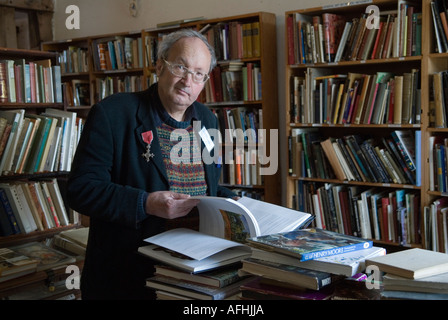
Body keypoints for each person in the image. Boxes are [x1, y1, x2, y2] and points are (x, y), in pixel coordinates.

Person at [66, 29, 236, 300]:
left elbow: (209, 188)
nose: (187, 81)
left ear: (205, 80)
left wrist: (236, 204)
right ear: (160, 65)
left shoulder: (208, 121)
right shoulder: (113, 114)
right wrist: (145, 203)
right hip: (128, 278)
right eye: (181, 66)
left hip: (194, 276)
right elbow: (81, 189)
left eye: (198, 74)